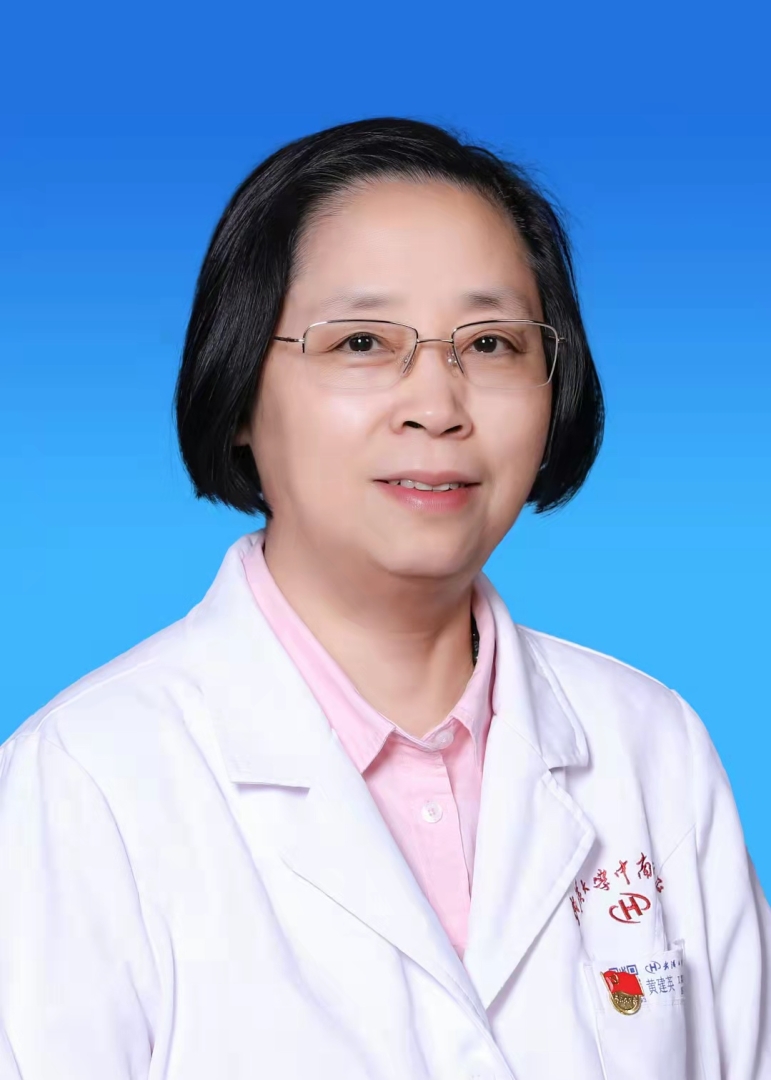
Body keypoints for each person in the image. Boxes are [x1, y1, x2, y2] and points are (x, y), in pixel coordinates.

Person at [0, 117, 768, 1080]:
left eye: (490, 343)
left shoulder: (650, 746)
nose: (437, 406)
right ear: (238, 390)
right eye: (361, 341)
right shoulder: (83, 783)